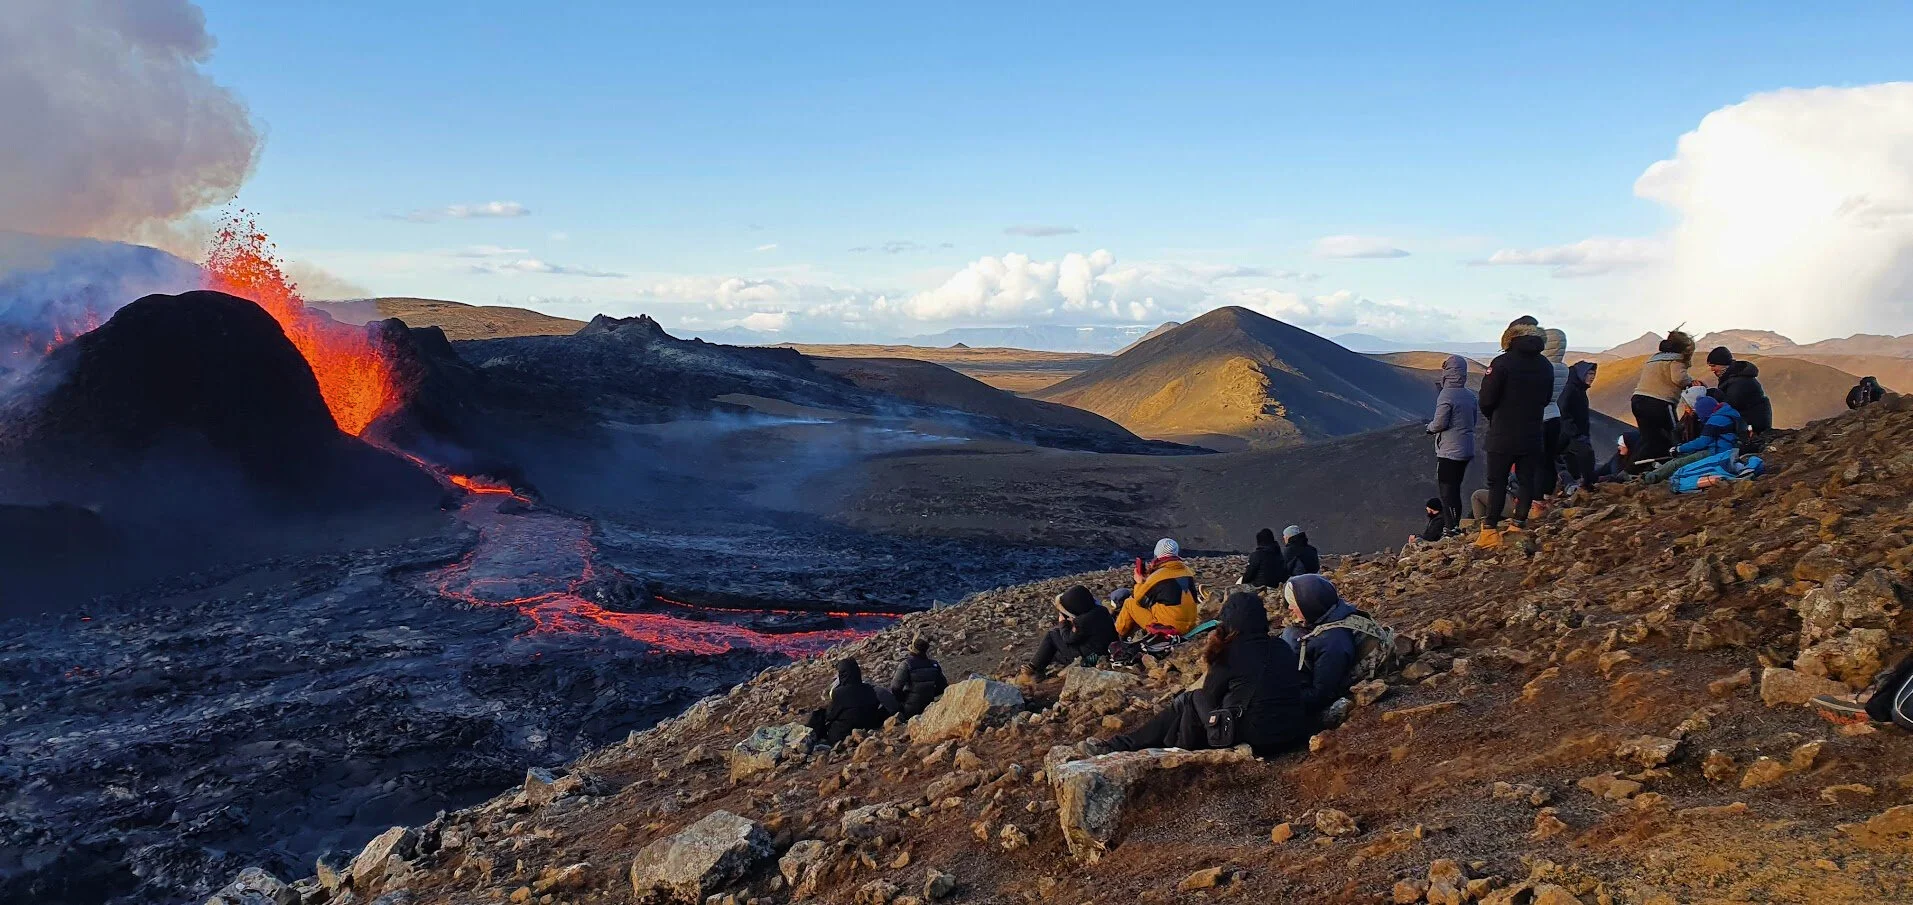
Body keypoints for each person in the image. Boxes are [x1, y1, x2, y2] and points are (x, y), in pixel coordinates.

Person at [1106, 591, 1307, 757]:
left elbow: (1210, 696)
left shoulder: (1230, 652)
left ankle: (1137, 745)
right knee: (1192, 704)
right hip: (1288, 734)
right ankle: (1171, 745)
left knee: (1190, 699)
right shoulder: (1281, 646)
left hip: (1255, 737)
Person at [1476, 321, 1553, 545]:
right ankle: (1518, 524)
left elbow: (1487, 399)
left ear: (1509, 338)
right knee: (1526, 479)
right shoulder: (1545, 365)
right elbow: (1547, 398)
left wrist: (1495, 415)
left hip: (1503, 431)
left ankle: (1490, 531)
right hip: (1533, 430)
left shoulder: (1502, 363)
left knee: (1497, 482)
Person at [1279, 574, 1365, 724]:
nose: (1289, 608)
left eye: (1294, 603)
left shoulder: (1334, 643)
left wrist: (1281, 696)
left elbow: (1321, 693)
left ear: (1310, 604)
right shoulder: (1326, 614)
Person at [1426, 354, 1477, 536]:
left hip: (1450, 450)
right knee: (1455, 487)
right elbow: (1473, 420)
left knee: (1447, 491)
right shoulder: (1470, 395)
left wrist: (1429, 428)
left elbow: (1440, 423)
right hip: (1466, 448)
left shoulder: (1446, 395)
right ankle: (1453, 525)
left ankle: (1451, 528)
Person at [1024, 585, 1119, 679]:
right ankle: (1038, 664)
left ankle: (1033, 668)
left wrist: (1063, 622)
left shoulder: (1082, 621)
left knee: (1052, 635)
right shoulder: (1101, 610)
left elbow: (1068, 639)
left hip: (1091, 658)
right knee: (1054, 640)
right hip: (1106, 650)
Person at [1630, 331, 1695, 460]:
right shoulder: (1676, 360)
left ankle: (1632, 467)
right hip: (1660, 402)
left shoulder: (1655, 358)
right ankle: (1678, 460)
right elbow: (1679, 378)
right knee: (1673, 433)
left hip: (1638, 399)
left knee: (1649, 438)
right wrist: (1691, 382)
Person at [1117, 538, 1200, 637]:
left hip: (1169, 628)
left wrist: (1139, 582)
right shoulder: (1187, 571)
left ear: (1157, 554)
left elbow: (1140, 600)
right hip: (1191, 626)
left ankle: (1114, 636)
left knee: (1129, 603)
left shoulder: (1158, 576)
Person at [806, 658, 886, 746]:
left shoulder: (839, 693)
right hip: (868, 727)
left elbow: (830, 716)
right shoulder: (869, 688)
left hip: (842, 735)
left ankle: (809, 739)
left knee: (819, 714)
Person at [1705, 347, 1772, 437]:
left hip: (1752, 427)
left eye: (1713, 366)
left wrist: (1711, 394)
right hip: (1751, 424)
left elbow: (1731, 405)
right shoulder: (1734, 377)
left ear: (1723, 364)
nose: (1712, 370)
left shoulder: (1739, 381)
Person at [1538, 328, 1570, 498]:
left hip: (1540, 417)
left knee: (1538, 460)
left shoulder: (1542, 367)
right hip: (1555, 415)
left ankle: (1536, 496)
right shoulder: (1564, 369)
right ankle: (1546, 494)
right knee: (1550, 459)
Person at [1558, 361, 1598, 490]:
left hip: (1573, 433)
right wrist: (1573, 431)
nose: (1592, 377)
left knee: (1572, 460)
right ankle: (1586, 486)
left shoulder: (1579, 388)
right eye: (1589, 373)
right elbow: (1563, 409)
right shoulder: (1571, 388)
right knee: (1587, 455)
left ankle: (1576, 485)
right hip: (1570, 433)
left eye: (1594, 374)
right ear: (1582, 374)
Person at [889, 636, 949, 719]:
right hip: (929, 707)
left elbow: (895, 687)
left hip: (910, 709)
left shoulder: (906, 664)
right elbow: (943, 686)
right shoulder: (934, 664)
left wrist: (903, 699)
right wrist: (929, 694)